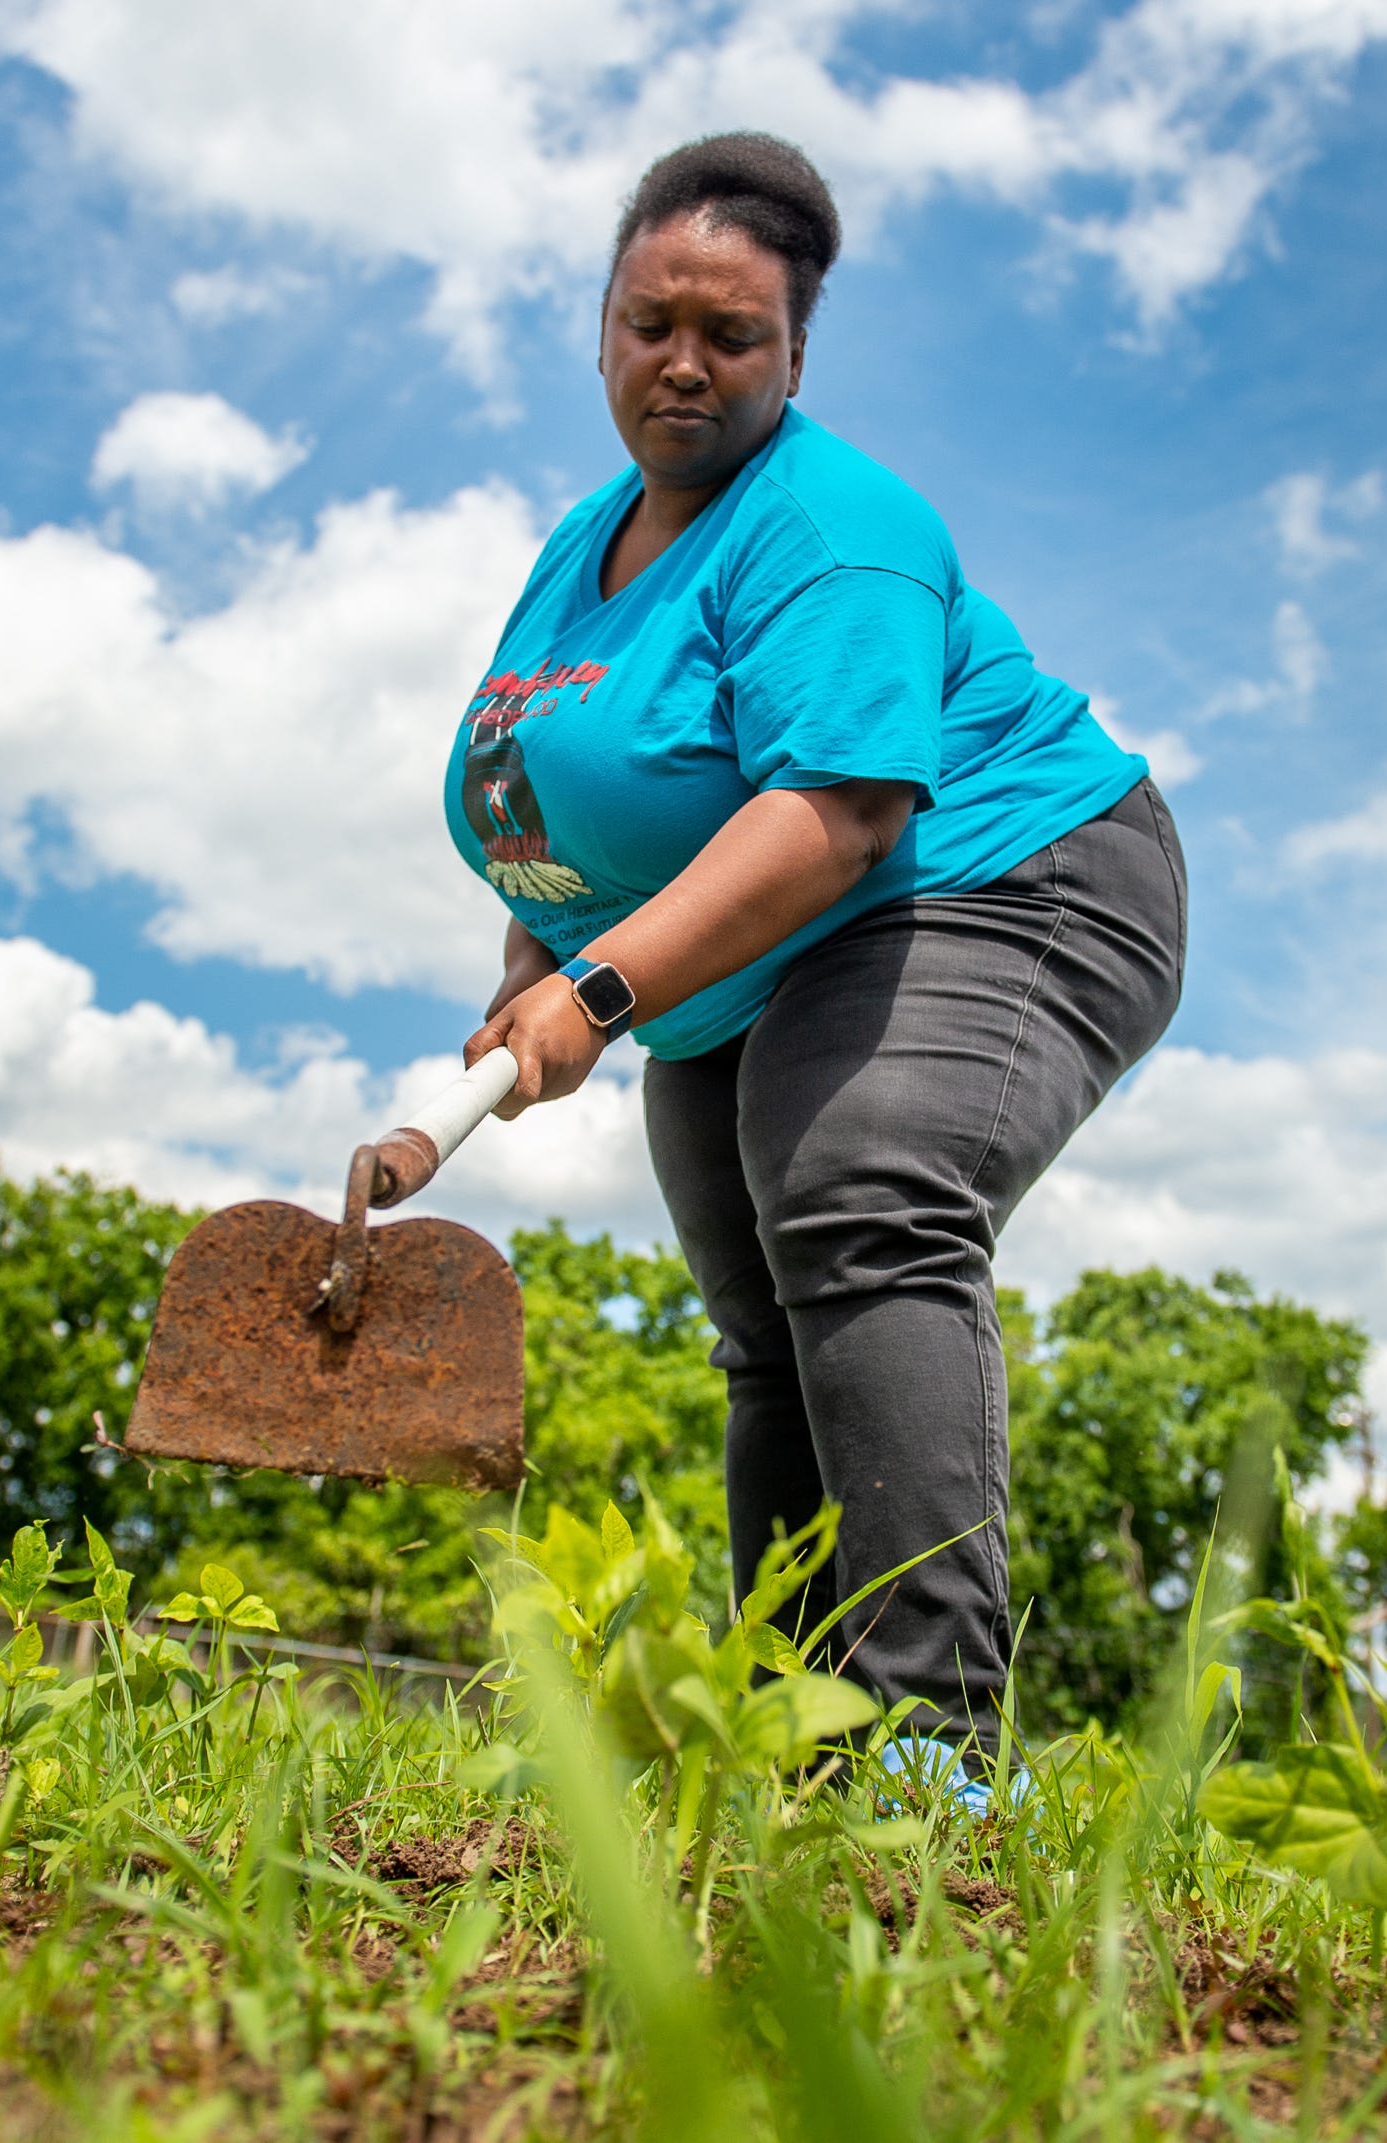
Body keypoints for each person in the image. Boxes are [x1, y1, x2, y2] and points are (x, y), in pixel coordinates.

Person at [445, 132, 1186, 1777]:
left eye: (735, 336)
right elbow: (565, 767)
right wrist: (533, 945)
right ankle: (789, 1735)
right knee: (764, 1318)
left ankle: (937, 1754)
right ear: (602, 330)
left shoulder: (835, 526)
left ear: (796, 355)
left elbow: (838, 812)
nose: (685, 365)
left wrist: (599, 989)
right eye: (653, 325)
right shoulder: (589, 542)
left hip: (1008, 876)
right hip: (760, 948)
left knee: (857, 1190)